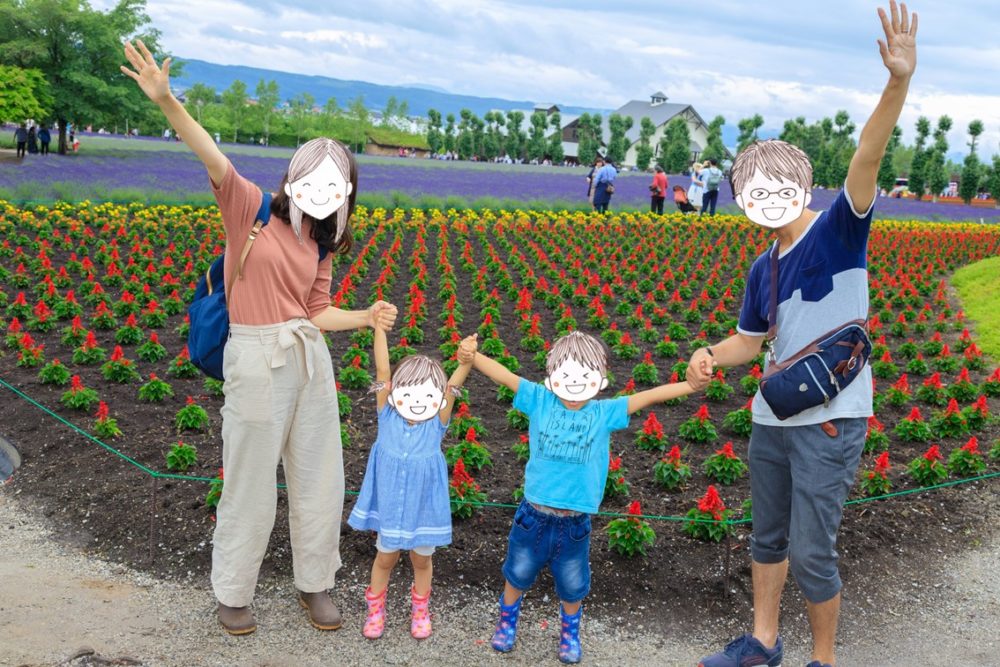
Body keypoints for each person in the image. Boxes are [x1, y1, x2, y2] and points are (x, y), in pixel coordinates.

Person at [121, 38, 399, 636]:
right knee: (249, 480)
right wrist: (168, 102)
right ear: (293, 176)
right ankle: (233, 592)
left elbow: (316, 310)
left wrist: (366, 316)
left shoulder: (318, 241)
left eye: (335, 182)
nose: (322, 189)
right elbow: (212, 155)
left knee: (320, 477)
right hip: (254, 355)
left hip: (308, 359)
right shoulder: (249, 209)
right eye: (313, 177)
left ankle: (315, 585)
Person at [690, 4, 917, 666]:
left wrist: (897, 83)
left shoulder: (841, 227)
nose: (762, 198)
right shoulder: (762, 266)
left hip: (831, 417)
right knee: (768, 536)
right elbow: (747, 343)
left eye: (772, 185)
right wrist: (710, 356)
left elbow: (867, 153)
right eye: (749, 190)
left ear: (799, 184)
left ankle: (825, 658)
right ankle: (763, 642)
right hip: (774, 415)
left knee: (814, 547)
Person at [459, 331, 697, 664]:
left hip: (574, 523)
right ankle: (507, 621)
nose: (574, 384)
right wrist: (472, 356)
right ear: (551, 377)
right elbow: (507, 377)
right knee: (517, 572)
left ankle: (570, 632)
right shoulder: (540, 400)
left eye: (585, 376)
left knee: (572, 583)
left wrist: (690, 385)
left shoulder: (604, 412)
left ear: (600, 381)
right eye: (565, 375)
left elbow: (650, 395)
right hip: (533, 514)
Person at [348, 327, 473, 640]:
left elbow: (454, 387)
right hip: (391, 505)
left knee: (421, 558)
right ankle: (375, 610)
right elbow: (382, 370)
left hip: (423, 506)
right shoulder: (386, 415)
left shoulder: (436, 423)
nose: (418, 401)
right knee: (385, 556)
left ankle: (420, 610)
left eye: (427, 395)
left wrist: (465, 360)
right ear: (394, 393)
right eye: (409, 393)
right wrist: (379, 330)